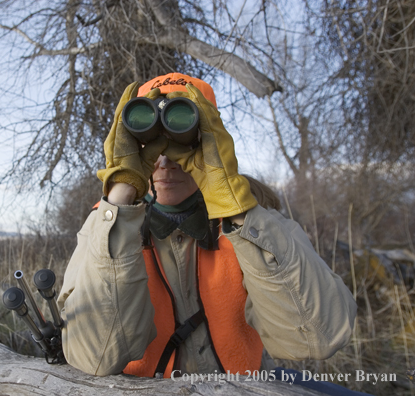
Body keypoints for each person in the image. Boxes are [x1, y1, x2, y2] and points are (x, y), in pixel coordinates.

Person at [57, 72, 357, 380]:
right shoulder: (105, 229)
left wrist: (237, 208)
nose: (164, 161)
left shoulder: (258, 222)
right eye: (151, 144)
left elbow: (318, 338)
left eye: (180, 135)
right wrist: (120, 191)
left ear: (211, 138)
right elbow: (94, 357)